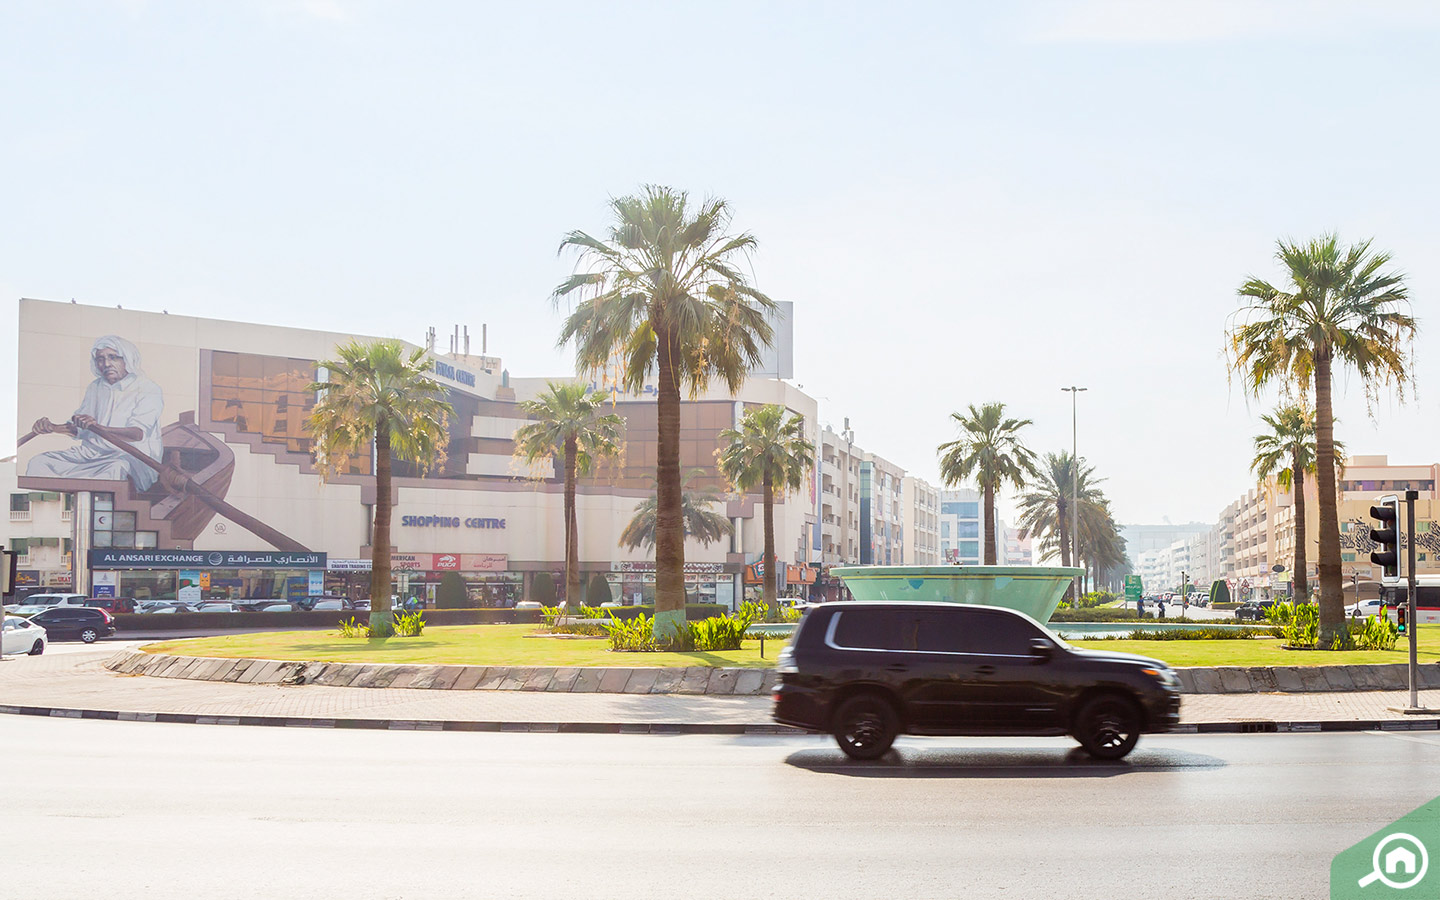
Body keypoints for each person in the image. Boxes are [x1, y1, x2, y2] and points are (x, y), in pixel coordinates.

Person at [27, 335, 165, 490]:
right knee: (38, 462)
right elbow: (79, 428)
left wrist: (98, 427)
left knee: (113, 470)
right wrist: (52, 427)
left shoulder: (148, 389)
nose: (106, 364)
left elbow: (136, 434)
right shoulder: (95, 387)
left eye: (113, 357)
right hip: (90, 455)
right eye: (100, 359)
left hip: (129, 457)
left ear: (127, 358)